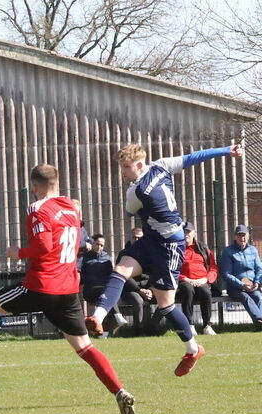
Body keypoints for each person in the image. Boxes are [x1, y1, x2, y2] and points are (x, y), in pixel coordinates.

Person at [0, 164, 136, 414]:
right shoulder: (71, 208)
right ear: (57, 182)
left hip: (40, 285)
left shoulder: (37, 208)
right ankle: (120, 391)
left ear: (34, 187)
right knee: (85, 348)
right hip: (68, 289)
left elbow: (44, 245)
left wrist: (18, 253)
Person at [86, 143, 243, 376]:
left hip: (170, 247)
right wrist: (226, 150)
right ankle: (97, 317)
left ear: (139, 165)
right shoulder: (161, 165)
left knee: (166, 305)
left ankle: (193, 349)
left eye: (126, 167)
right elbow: (193, 157)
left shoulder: (134, 193)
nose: (123, 172)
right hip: (151, 240)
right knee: (120, 270)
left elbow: (129, 212)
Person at [79, 234, 129, 333]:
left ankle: (104, 332)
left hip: (104, 289)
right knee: (107, 294)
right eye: (97, 244)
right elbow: (81, 276)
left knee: (107, 294)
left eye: (102, 245)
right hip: (90, 290)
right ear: (92, 244)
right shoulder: (83, 258)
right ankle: (118, 315)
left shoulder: (106, 258)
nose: (99, 247)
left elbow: (111, 275)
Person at [177, 221, 219, 335]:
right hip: (184, 281)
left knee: (205, 291)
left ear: (194, 233)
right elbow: (172, 269)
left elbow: (213, 268)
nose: (186, 234)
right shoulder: (177, 249)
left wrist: (205, 279)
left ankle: (207, 326)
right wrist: (185, 279)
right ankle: (189, 325)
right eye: (183, 232)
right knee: (187, 289)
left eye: (188, 232)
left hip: (202, 280)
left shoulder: (203, 248)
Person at [219, 225, 262, 328]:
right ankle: (259, 320)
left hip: (252, 285)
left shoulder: (253, 250)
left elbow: (259, 269)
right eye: (239, 236)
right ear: (235, 237)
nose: (242, 238)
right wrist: (242, 285)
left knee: (258, 296)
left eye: (244, 235)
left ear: (248, 236)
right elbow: (226, 274)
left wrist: (256, 282)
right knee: (245, 297)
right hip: (235, 288)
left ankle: (259, 322)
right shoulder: (228, 251)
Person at [115, 228, 156, 332]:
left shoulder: (151, 253)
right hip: (130, 289)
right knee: (138, 301)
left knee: (165, 298)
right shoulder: (124, 254)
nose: (137, 240)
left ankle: (153, 327)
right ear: (130, 238)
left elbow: (155, 273)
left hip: (147, 288)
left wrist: (151, 289)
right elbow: (123, 275)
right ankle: (137, 331)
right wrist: (139, 290)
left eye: (139, 238)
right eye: (134, 238)